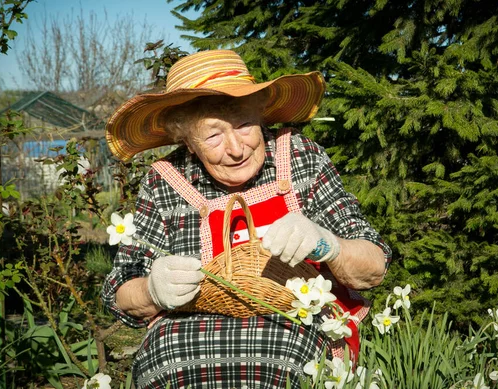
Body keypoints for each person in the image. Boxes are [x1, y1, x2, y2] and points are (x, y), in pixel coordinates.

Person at [102, 49, 392, 389]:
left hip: (292, 324)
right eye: (213, 136)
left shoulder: (299, 156)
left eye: (243, 125)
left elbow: (374, 266)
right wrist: (152, 289)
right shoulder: (164, 180)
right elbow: (119, 293)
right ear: (188, 143)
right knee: (165, 362)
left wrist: (327, 244)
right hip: (185, 338)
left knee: (284, 359)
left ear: (261, 116)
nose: (236, 149)